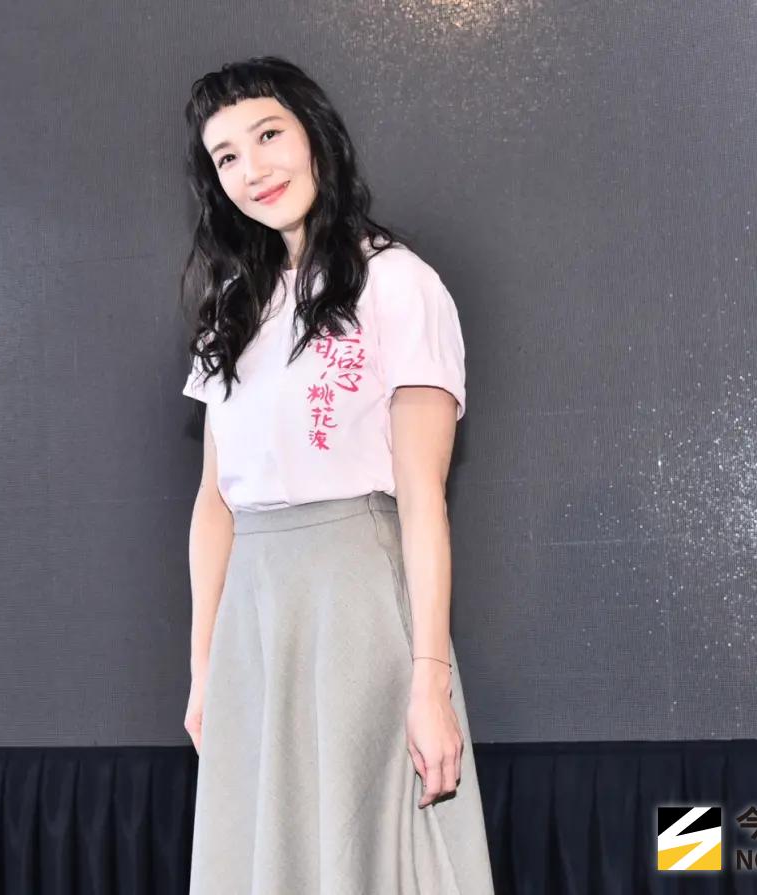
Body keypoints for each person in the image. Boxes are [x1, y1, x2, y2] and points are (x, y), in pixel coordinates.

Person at [177, 56, 495, 894]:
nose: (253, 169)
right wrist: (205, 666)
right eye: (227, 156)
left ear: (316, 135)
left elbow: (422, 496)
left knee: (365, 853)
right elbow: (215, 503)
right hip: (254, 620)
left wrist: (430, 680)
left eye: (268, 135)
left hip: (360, 606)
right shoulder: (231, 307)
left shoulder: (399, 282)